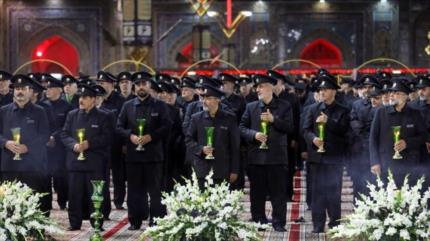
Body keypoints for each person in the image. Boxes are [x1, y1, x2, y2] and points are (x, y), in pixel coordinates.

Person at [117, 71, 172, 230]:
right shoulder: (127, 106)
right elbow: (119, 127)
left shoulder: (160, 105)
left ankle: (157, 220)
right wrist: (131, 136)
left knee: (155, 191)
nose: (141, 87)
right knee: (134, 191)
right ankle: (135, 220)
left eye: (144, 84)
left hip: (153, 156)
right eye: (139, 84)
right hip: (133, 157)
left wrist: (151, 137)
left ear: (149, 86)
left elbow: (167, 126)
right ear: (135, 87)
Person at [239, 74, 294, 232]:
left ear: (271, 87)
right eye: (257, 87)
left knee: (278, 193)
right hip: (256, 157)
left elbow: (290, 128)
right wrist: (254, 135)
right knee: (257, 193)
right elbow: (241, 128)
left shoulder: (285, 106)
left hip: (277, 157)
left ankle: (278, 222)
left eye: (261, 86)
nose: (258, 90)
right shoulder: (251, 107)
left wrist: (274, 120)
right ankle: (259, 221)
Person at [303, 74, 350, 233]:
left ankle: (335, 222)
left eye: (326, 90)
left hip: (334, 157)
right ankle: (318, 224)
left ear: (334, 92)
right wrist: (313, 139)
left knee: (334, 191)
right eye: (320, 90)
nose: (322, 93)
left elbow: (344, 131)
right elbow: (306, 130)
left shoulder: (343, 110)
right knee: (317, 192)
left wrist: (328, 121)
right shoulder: (312, 109)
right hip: (316, 157)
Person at [61, 84, 112, 231]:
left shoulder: (104, 116)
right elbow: (64, 134)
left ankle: (97, 222)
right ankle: (74, 223)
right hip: (75, 162)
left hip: (95, 163)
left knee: (95, 194)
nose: (81, 100)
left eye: (85, 97)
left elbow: (107, 137)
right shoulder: (72, 115)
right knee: (74, 194)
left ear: (94, 100)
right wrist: (73, 145)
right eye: (80, 97)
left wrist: (89, 144)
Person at [0, 74, 50, 213]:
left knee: (32, 201)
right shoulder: (3, 111)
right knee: (8, 203)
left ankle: (34, 232)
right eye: (17, 89)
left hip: (32, 166)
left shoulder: (40, 111)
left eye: (23, 88)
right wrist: (6, 143)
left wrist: (28, 147)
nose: (19, 91)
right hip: (9, 166)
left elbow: (44, 135)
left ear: (30, 91)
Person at [369, 78, 427, 186]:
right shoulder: (381, 112)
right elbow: (373, 138)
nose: (391, 95)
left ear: (405, 96)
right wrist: (374, 162)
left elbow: (424, 136)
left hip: (409, 164)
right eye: (391, 92)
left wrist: (407, 143)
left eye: (396, 93)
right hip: (386, 164)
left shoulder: (415, 114)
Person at [186, 83, 240, 190]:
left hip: (222, 170)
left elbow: (235, 146)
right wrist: (201, 149)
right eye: (204, 98)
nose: (204, 101)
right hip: (202, 170)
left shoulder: (229, 118)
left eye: (208, 98)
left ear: (218, 100)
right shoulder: (196, 118)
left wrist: (235, 170)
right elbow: (188, 140)